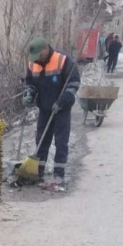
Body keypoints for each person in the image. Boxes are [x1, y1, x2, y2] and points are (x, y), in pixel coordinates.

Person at [22, 37, 81, 189]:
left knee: (61, 141)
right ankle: (39, 172)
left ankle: (58, 174)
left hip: (61, 108)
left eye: (39, 56)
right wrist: (29, 94)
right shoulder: (33, 63)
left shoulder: (63, 60)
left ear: (46, 49)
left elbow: (74, 83)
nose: (37, 60)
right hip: (45, 108)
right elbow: (30, 83)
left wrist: (62, 101)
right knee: (41, 140)